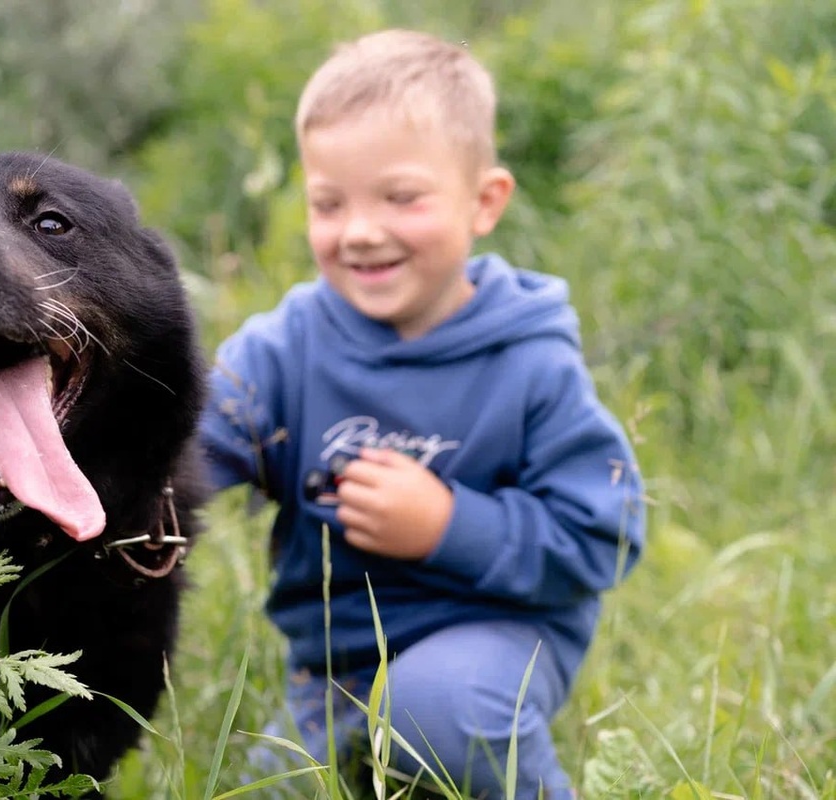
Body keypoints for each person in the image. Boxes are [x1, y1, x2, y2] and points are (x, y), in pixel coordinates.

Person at [199, 28, 645, 799]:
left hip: (498, 638)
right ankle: (365, 744)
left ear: (485, 201)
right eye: (328, 204)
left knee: (437, 713)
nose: (360, 231)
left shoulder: (530, 363)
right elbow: (181, 450)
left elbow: (604, 538)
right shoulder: (283, 348)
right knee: (263, 787)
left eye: (401, 198)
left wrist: (448, 525)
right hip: (333, 670)